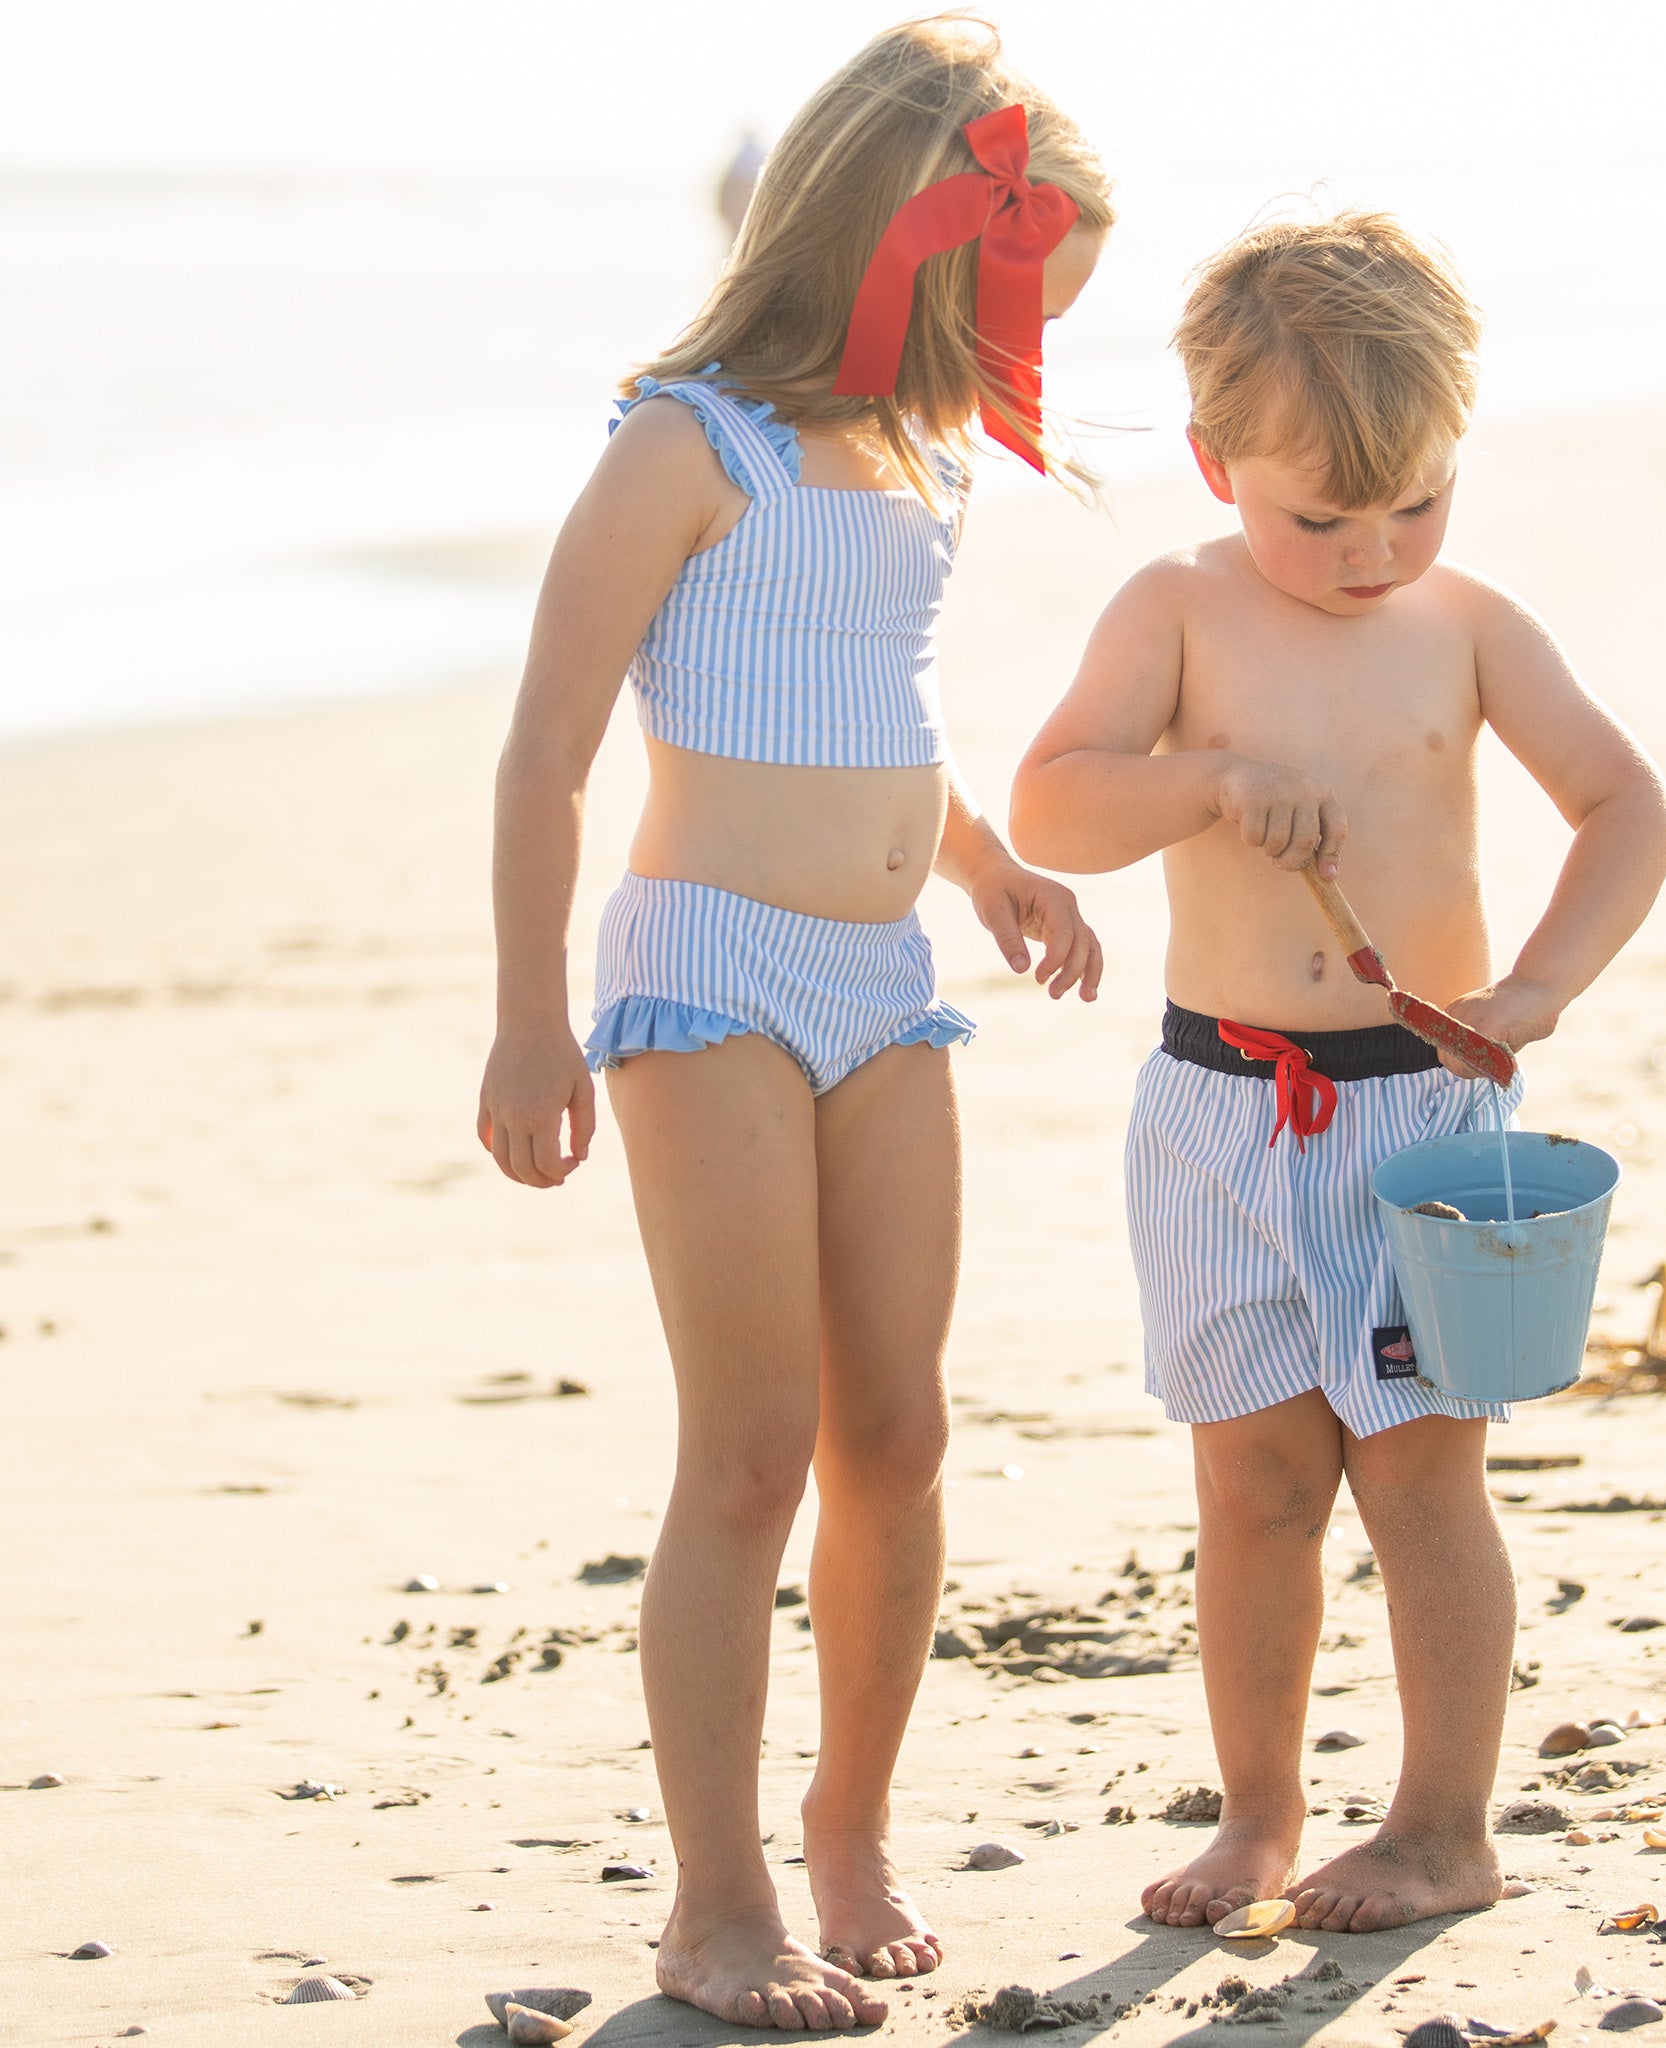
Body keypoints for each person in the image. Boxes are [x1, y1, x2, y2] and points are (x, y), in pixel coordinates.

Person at [477, 17, 1111, 2029]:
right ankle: (716, 1901)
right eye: (1005, 303)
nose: (1011, 361)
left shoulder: (916, 462)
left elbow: (882, 725)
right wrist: (523, 1016)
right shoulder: (686, 445)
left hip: (884, 982)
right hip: (706, 975)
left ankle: (849, 1820)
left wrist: (988, 864)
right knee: (751, 1450)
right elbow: (544, 754)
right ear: (890, 244)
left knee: (899, 1436)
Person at [1011, 214, 1666, 1935]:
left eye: (1417, 501)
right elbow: (1050, 806)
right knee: (1249, 1478)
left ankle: (1443, 1824)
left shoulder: (1463, 624)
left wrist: (1531, 983)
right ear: (1210, 461)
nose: (1373, 548)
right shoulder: (1172, 607)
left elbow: (1625, 805)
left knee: (1414, 1472)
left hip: (1409, 1112)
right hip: (1213, 1107)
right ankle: (1254, 1813)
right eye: (1320, 515)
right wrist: (1210, 779)